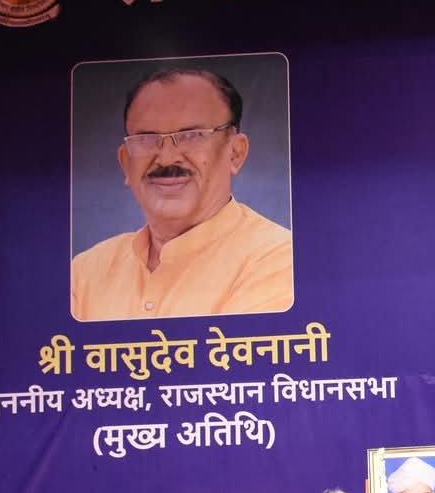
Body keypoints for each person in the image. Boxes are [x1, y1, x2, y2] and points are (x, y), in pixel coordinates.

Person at [70, 67, 293, 320]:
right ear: (126, 163)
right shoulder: (85, 273)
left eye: (191, 136)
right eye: (146, 138)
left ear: (235, 153)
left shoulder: (279, 261)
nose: (166, 158)